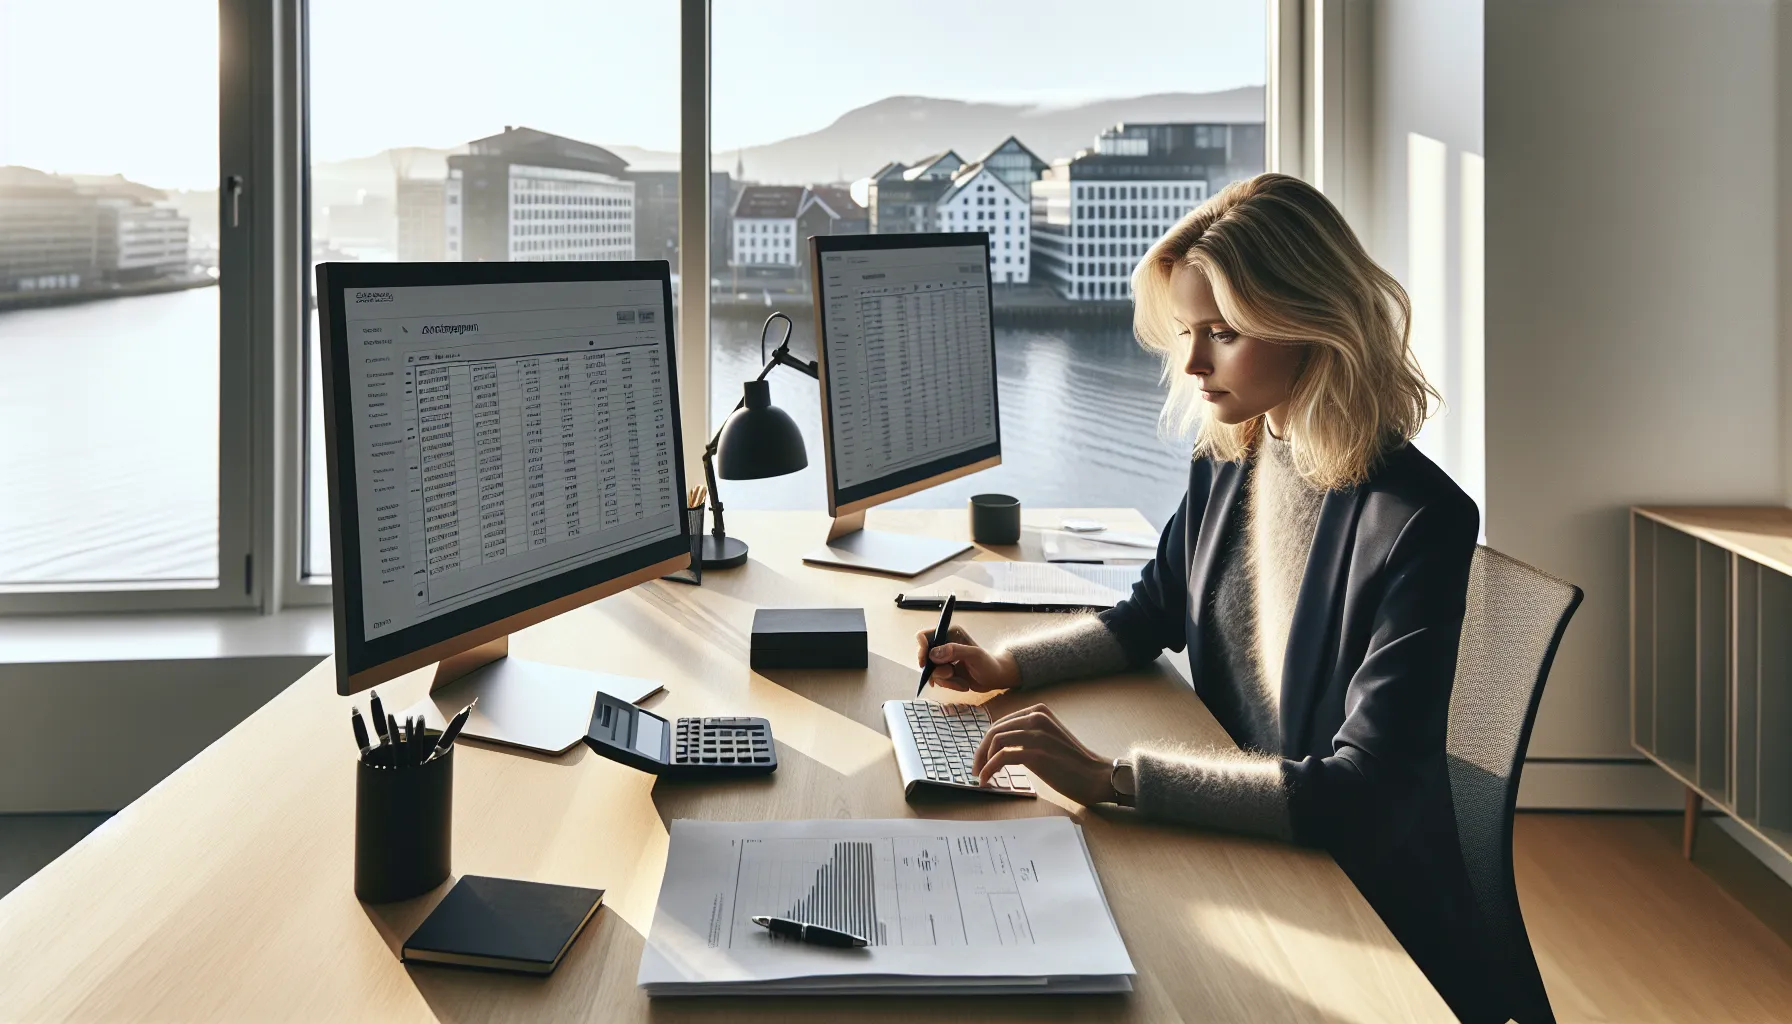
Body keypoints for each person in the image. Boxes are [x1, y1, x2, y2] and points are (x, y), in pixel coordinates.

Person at [916, 173, 1498, 1021]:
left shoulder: (1419, 521)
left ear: (1309, 322)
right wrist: (1005, 662)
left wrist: (1111, 778)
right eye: (1191, 332)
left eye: (1221, 334)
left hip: (1355, 898)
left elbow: (1366, 794)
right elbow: (1151, 610)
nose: (1192, 364)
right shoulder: (1236, 452)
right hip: (1248, 840)